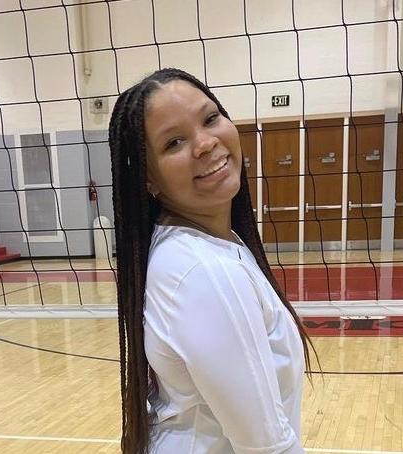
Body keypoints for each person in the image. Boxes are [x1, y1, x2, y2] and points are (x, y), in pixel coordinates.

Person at [108, 68, 316, 454]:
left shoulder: (210, 245)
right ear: (148, 179)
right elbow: (267, 447)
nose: (205, 144)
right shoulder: (201, 270)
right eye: (174, 142)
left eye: (210, 118)